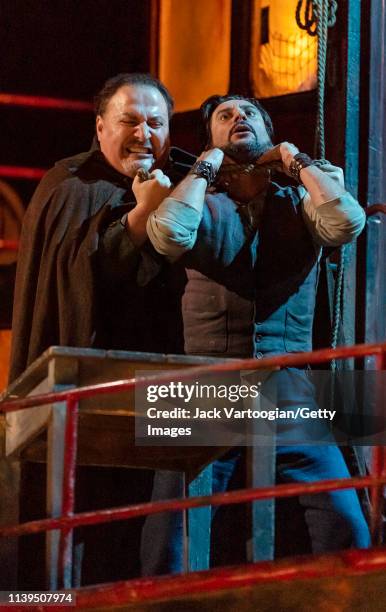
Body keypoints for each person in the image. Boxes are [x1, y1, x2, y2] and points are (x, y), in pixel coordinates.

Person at [139, 94, 370, 573]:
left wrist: (295, 159)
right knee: (170, 530)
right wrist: (206, 166)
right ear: (210, 141)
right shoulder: (198, 199)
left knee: (347, 523)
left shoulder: (301, 201)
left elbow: (347, 221)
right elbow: (168, 235)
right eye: (225, 117)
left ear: (269, 133)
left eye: (250, 115)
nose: (238, 118)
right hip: (202, 385)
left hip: (290, 388)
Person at [9, 72, 190, 383]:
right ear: (100, 127)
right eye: (129, 121)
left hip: (167, 375)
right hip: (92, 377)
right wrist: (144, 211)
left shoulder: (186, 186)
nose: (143, 134)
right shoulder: (70, 186)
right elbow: (78, 278)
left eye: (156, 124)